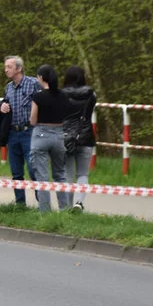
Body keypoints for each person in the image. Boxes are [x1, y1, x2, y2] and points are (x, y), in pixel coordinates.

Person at [28, 64, 71, 213]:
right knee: (60, 175)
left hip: (41, 134)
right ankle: (64, 209)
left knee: (42, 177)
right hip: (59, 134)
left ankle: (45, 212)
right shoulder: (63, 95)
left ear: (40, 77)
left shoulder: (38, 96)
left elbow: (33, 120)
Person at [0, 55, 39, 206]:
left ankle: (42, 204)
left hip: (30, 132)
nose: (6, 70)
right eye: (5, 67)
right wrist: (2, 106)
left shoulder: (34, 83)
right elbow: (5, 103)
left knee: (33, 169)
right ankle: (20, 204)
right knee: (16, 172)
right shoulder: (8, 88)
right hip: (12, 133)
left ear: (19, 68)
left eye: (9, 67)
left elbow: (45, 102)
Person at [61, 65, 97, 212]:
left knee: (67, 174)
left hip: (66, 137)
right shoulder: (91, 94)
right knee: (82, 174)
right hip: (86, 135)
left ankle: (67, 207)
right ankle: (79, 203)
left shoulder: (60, 94)